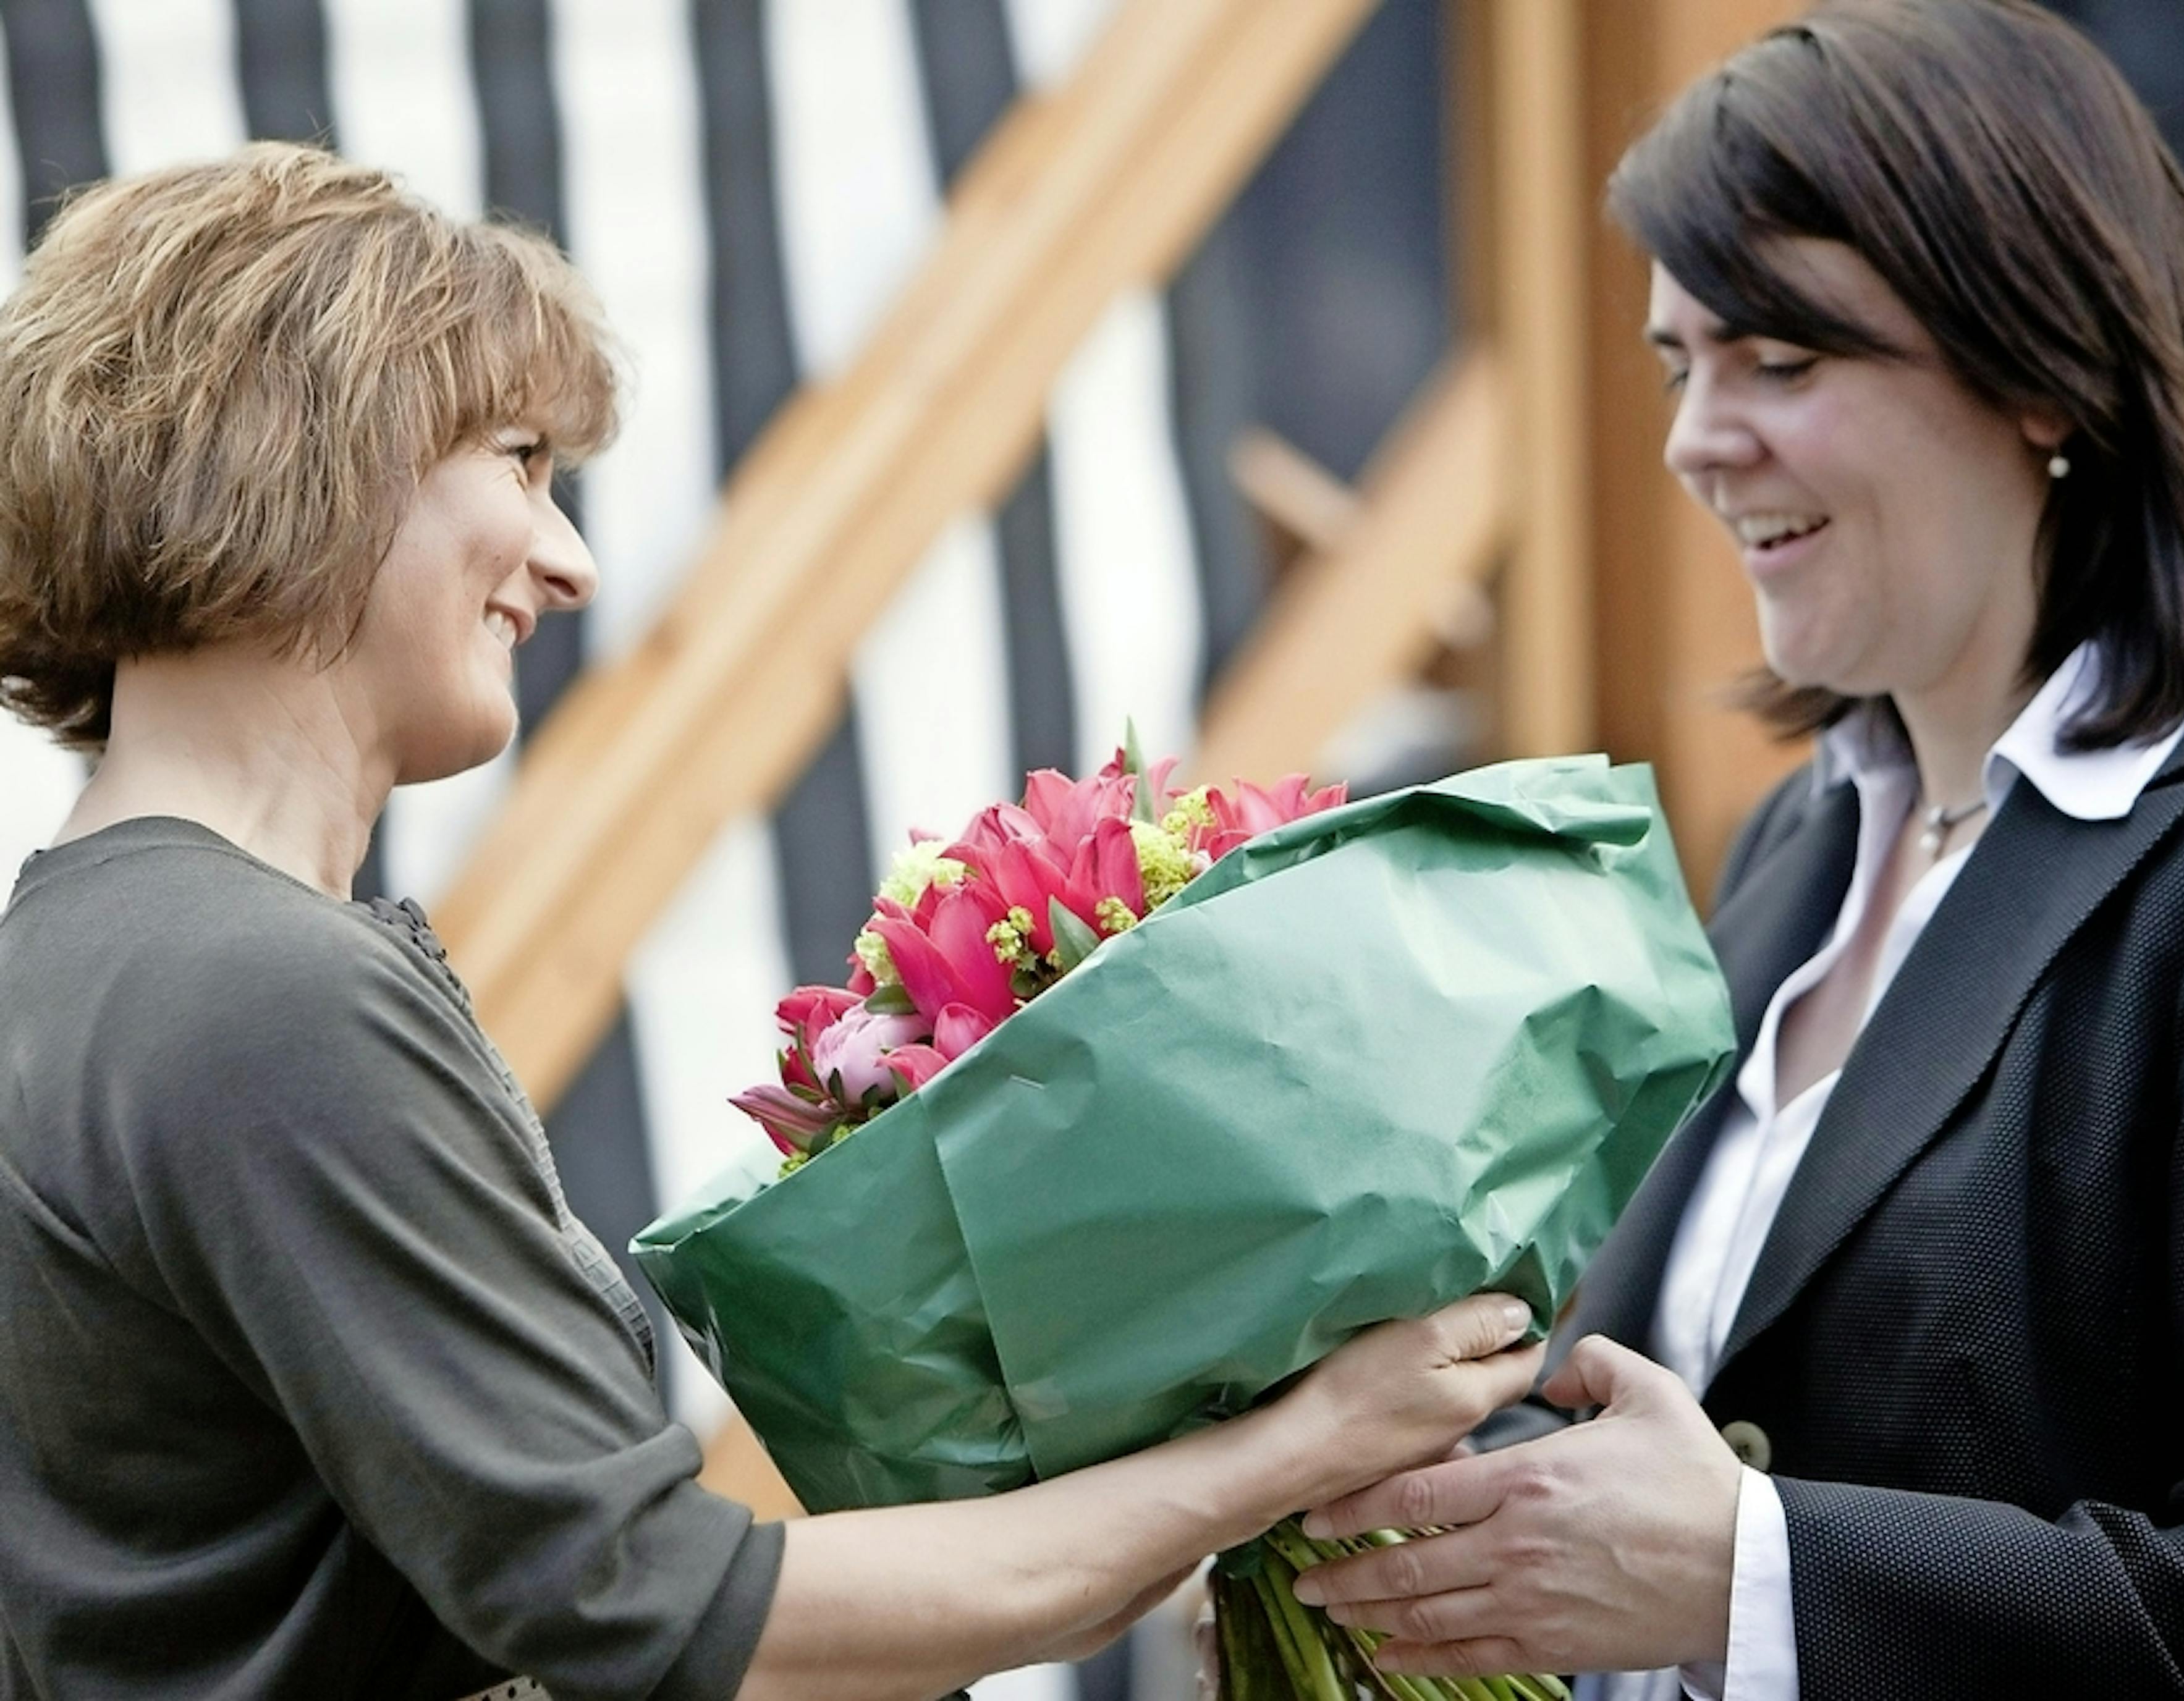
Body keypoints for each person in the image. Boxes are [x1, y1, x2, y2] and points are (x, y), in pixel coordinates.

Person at [0, 144, 1545, 1701]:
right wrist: (1296, 1447)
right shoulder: (258, 994)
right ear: (313, 445)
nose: (572, 563)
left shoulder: (73, 965)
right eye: (520, 460)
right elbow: (650, 1612)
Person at [1288, 2, 2184, 1697]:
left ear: (2040, 371)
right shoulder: (1800, 842)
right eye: (1681, 364)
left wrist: (1753, 1573)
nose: (1697, 440)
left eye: (1780, 362)